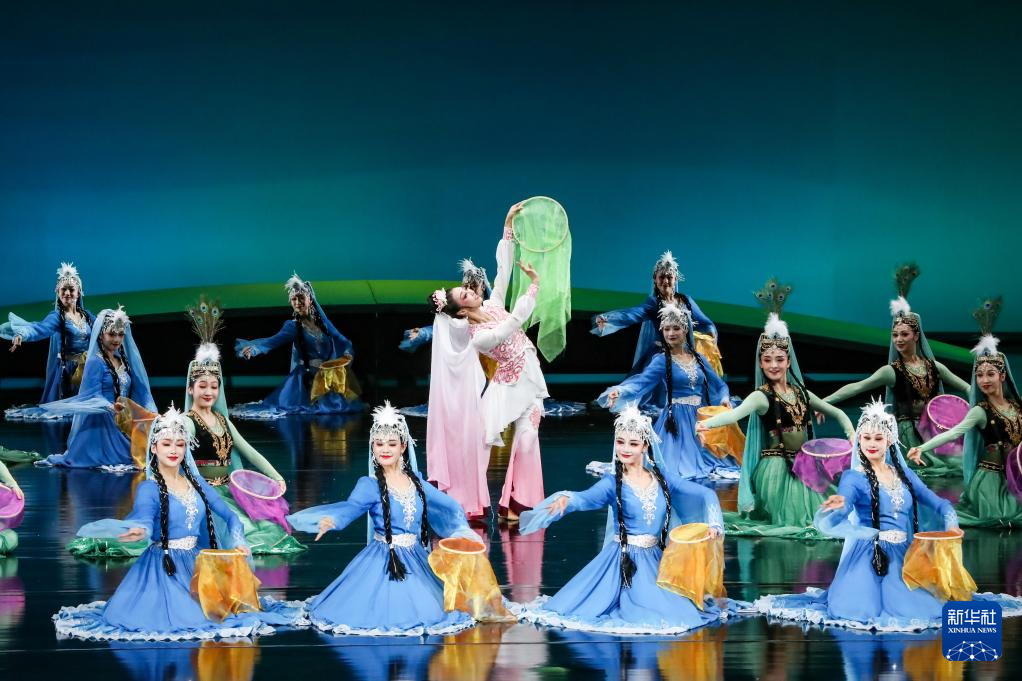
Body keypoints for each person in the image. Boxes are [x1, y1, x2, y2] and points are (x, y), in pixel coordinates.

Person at [754, 399, 1022, 630]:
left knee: (929, 606)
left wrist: (951, 526)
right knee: (864, 609)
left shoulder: (905, 476)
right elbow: (844, 507)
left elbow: (941, 504)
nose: (871, 444)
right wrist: (841, 504)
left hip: (906, 554)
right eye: (866, 438)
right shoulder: (854, 477)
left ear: (890, 440)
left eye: (878, 438)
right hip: (870, 555)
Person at [52, 407, 305, 640]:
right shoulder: (150, 488)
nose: (173, 450)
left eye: (180, 444)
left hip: (196, 563)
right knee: (183, 619)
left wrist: (239, 541)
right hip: (165, 565)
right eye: (166, 444)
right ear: (154, 448)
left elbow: (229, 516)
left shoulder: (197, 484)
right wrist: (140, 529)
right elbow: (143, 515)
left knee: (217, 614)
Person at [512, 406, 743, 634]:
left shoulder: (663, 478)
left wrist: (714, 523)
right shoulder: (612, 482)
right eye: (620, 442)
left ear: (645, 446)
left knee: (678, 610)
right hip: (624, 560)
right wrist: (568, 500)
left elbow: (705, 494)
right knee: (643, 611)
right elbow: (586, 499)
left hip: (656, 559)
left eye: (633, 444)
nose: (625, 449)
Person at [287, 402, 490, 636]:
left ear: (403, 447)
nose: (385, 449)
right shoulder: (369, 485)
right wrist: (333, 520)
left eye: (392, 444)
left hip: (416, 557)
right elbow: (352, 507)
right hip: (383, 557)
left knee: (430, 608)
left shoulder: (416, 482)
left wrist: (462, 531)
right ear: (372, 446)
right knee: (380, 607)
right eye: (379, 443)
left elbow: (448, 507)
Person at [697, 281, 854, 537]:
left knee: (827, 513)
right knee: (800, 522)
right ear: (760, 362)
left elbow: (837, 412)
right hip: (776, 470)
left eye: (779, 359)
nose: (773, 365)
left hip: (803, 466)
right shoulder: (761, 396)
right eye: (767, 360)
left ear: (788, 361)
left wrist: (851, 432)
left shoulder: (801, 393)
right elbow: (734, 415)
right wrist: (705, 424)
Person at [431, 204, 548, 519]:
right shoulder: (478, 336)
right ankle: (464, 501)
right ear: (461, 311)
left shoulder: (494, 303)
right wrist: (534, 288)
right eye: (465, 294)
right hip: (507, 386)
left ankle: (516, 504)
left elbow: (503, 270)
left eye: (468, 289)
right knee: (479, 441)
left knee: (528, 440)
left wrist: (507, 225)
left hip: (531, 378)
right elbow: (513, 324)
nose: (472, 291)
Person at [823, 264, 970, 477]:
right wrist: (824, 402)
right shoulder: (891, 371)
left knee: (955, 468)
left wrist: (981, 401)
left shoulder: (934, 367)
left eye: (904, 334)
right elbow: (857, 387)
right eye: (895, 335)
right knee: (915, 472)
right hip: (907, 434)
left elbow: (967, 387)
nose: (898, 339)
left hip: (933, 432)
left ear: (916, 336)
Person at [908, 298, 1022, 527]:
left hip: (1015, 477)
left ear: (1002, 375)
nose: (984, 380)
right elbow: (953, 433)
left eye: (990, 374)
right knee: (1001, 519)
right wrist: (921, 448)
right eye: (979, 375)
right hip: (991, 480)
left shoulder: (1018, 406)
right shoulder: (980, 411)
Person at [591, 251, 720, 410]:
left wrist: (710, 332)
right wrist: (610, 319)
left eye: (669, 277)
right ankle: (619, 395)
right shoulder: (654, 303)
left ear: (675, 279)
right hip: (662, 352)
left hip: (684, 352)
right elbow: (634, 313)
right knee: (647, 383)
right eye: (661, 277)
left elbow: (703, 322)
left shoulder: (686, 301)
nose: (665, 281)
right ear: (655, 279)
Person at [37, 307, 156, 470]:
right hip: (102, 423)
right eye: (111, 334)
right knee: (130, 456)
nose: (117, 339)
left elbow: (142, 391)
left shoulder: (124, 362)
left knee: (151, 448)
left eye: (120, 334)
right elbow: (91, 396)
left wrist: (152, 412)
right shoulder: (95, 362)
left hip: (124, 420)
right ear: (101, 334)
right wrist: (110, 407)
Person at [233, 274, 362, 418]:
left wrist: (347, 353)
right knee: (305, 412)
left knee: (338, 411)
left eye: (301, 298)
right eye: (294, 299)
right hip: (306, 380)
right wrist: (254, 350)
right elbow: (272, 341)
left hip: (326, 379)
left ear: (310, 299)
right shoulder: (292, 326)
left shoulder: (323, 324)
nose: (297, 302)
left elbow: (342, 340)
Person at [1, 263, 96, 419]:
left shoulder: (87, 316)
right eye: (63, 289)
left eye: (71, 289)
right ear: (57, 292)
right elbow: (39, 329)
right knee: (70, 414)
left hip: (87, 371)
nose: (67, 293)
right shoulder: (57, 317)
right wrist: (22, 334)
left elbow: (102, 330)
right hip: (69, 373)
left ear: (79, 292)